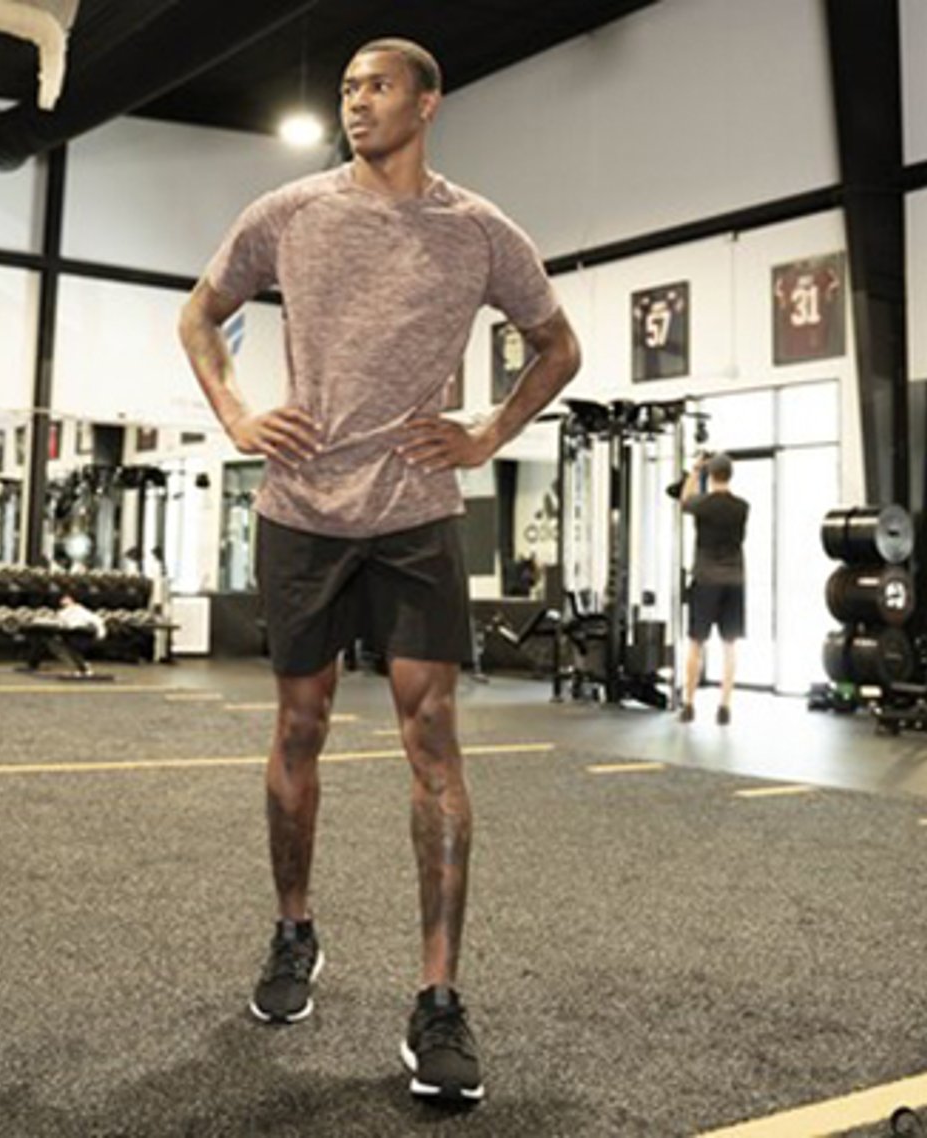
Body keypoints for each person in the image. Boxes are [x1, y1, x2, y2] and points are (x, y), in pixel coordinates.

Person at [178, 37, 580, 1104]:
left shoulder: (481, 231)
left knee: (432, 739)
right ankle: (293, 931)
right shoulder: (290, 212)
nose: (357, 102)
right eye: (348, 88)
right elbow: (200, 315)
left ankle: (439, 997)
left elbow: (559, 345)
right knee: (298, 726)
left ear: (429, 102)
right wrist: (237, 414)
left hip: (412, 511)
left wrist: (489, 430)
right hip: (302, 509)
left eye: (379, 86)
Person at [677, 452, 749, 724]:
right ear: (730, 475)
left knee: (696, 642)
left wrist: (695, 472)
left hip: (706, 580)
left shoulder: (703, 505)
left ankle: (689, 703)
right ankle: (725, 706)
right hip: (734, 580)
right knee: (729, 645)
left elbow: (684, 500)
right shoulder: (743, 507)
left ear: (712, 474)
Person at [21, 592, 106, 677]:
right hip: (70, 632)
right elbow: (60, 624)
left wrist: (100, 634)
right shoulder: (62, 613)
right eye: (63, 599)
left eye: (67, 598)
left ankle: (82, 668)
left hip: (82, 632)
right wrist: (39, 621)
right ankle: (33, 664)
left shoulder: (79, 609)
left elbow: (97, 621)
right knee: (47, 639)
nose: (64, 600)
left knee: (68, 644)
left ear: (72, 600)